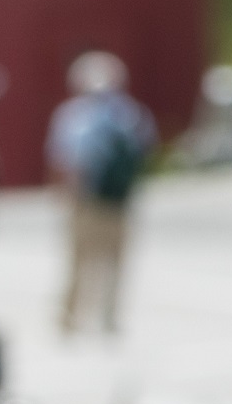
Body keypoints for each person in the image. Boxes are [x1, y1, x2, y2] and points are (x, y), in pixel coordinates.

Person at [45, 51, 154, 336]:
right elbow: (144, 149)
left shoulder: (73, 115)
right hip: (119, 202)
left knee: (79, 262)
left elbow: (63, 160)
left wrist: (62, 195)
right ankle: (109, 318)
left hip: (86, 201)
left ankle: (70, 318)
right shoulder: (130, 113)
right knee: (114, 263)